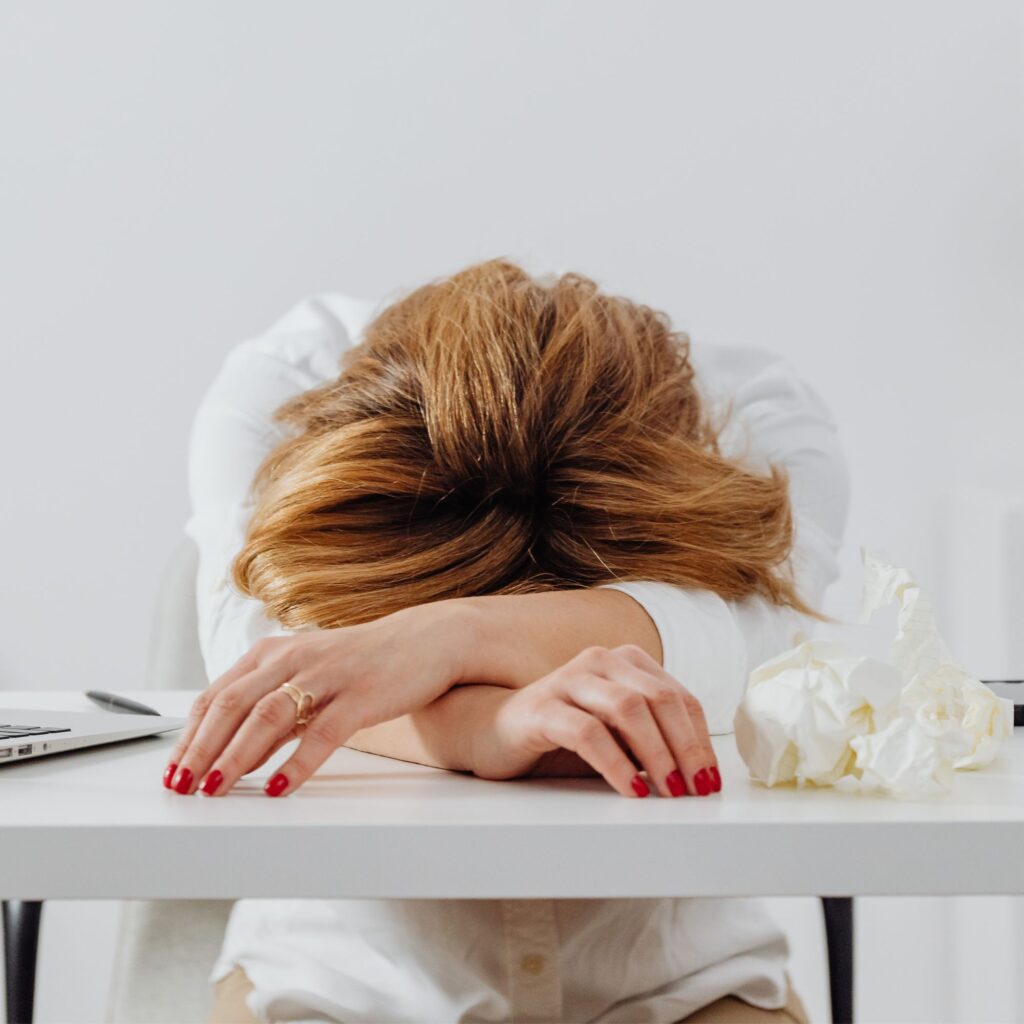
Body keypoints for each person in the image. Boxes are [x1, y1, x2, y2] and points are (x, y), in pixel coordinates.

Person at [166, 259, 849, 1023]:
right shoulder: (283, 378)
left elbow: (756, 647)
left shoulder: (759, 415)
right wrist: (489, 728)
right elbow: (272, 675)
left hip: (684, 985)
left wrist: (448, 635)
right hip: (340, 984)